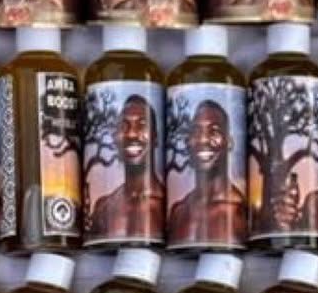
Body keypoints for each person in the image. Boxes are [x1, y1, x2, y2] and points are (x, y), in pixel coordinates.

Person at [167, 98, 245, 247]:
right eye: (197, 131)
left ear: (229, 142)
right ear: (188, 142)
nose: (203, 139)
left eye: (214, 131)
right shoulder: (178, 211)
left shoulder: (239, 212)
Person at [87, 93, 164, 242]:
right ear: (116, 137)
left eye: (142, 125)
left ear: (155, 137)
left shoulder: (168, 210)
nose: (132, 134)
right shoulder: (103, 208)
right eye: (124, 125)